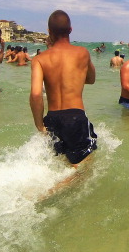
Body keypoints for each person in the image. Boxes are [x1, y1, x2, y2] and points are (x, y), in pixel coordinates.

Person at [30, 10, 97, 167]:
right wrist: (74, 79)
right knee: (84, 166)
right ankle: (50, 191)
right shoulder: (83, 53)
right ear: (71, 30)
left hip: (52, 118)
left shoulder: (39, 59)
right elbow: (91, 79)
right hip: (75, 117)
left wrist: (40, 125)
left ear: (49, 32)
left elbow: (36, 94)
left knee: (59, 164)